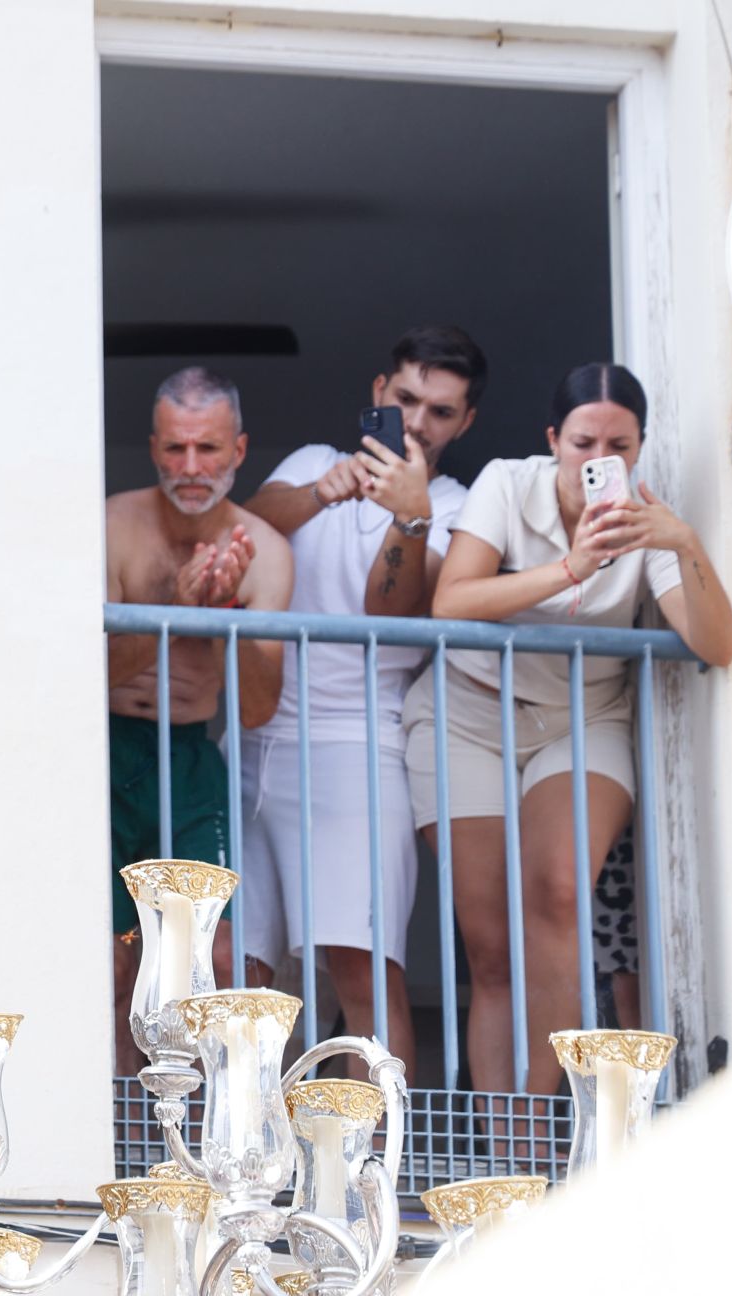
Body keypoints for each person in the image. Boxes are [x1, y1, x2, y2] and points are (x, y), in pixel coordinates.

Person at [405, 361, 732, 1101]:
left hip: (584, 721)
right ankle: (513, 1153)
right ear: (554, 439)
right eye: (584, 441)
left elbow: (718, 645)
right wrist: (571, 566)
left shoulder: (646, 516)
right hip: (467, 715)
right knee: (491, 951)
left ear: (639, 446)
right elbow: (451, 604)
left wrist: (681, 541)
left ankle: (560, 1125)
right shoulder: (505, 482)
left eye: (618, 444)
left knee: (557, 892)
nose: (599, 460)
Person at [239, 325, 487, 1079]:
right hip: (252, 740)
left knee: (363, 976)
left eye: (440, 411)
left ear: (465, 423)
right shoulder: (316, 462)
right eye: (406, 399)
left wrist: (407, 516)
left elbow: (395, 611)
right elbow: (244, 527)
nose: (416, 422)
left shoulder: (454, 503)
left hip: (361, 747)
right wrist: (323, 492)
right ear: (378, 393)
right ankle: (239, 1166)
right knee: (234, 976)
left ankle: (373, 1176)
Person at [107, 366, 293, 1072]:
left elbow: (256, 707)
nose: (191, 468)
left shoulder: (265, 551)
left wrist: (218, 623)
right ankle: (119, 1140)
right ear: (154, 448)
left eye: (208, 450)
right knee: (114, 957)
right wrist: (166, 614)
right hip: (109, 747)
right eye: (176, 449)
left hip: (190, 754)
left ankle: (207, 1142)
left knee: (209, 952)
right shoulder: (112, 525)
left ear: (239, 451)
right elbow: (85, 679)